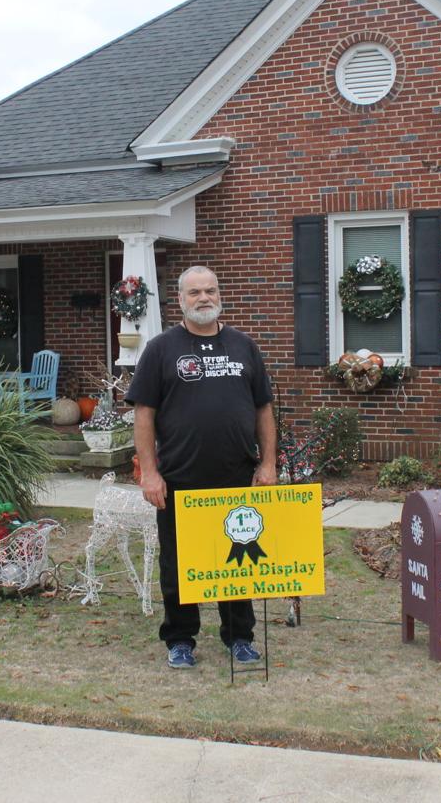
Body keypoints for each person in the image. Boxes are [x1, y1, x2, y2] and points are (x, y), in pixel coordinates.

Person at [125, 265, 276, 669]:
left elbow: (263, 408)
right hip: (179, 480)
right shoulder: (161, 349)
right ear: (180, 300)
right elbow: (144, 414)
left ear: (219, 295)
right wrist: (150, 472)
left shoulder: (244, 346)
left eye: (210, 290)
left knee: (239, 558)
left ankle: (240, 636)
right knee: (178, 565)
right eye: (195, 293)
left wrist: (268, 463)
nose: (204, 298)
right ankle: (180, 639)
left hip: (235, 477)